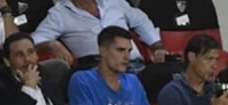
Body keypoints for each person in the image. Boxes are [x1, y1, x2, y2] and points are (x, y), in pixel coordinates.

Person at [68, 27, 157, 105]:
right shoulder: (82, 79)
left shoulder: (133, 80)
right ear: (103, 51)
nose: (127, 57)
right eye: (120, 50)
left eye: (129, 51)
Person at [32, 0, 167, 66]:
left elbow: (141, 20)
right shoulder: (59, 14)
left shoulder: (114, 2)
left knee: (169, 76)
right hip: (98, 72)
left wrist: (157, 45)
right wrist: (51, 45)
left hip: (136, 66)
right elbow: (34, 41)